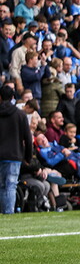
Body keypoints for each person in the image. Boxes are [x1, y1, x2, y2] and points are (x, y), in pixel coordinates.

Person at [0, 84, 33, 213]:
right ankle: (8, 212)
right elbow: (28, 138)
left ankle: (4, 211)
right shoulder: (20, 115)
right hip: (14, 155)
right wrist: (28, 157)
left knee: (2, 186)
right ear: (13, 97)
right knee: (10, 186)